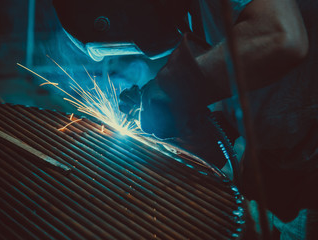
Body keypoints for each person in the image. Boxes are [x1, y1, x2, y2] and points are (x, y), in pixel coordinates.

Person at [53, 0, 318, 239]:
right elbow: (254, 74)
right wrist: (213, 127)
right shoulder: (199, 16)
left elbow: (280, 36)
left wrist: (173, 87)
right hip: (290, 161)